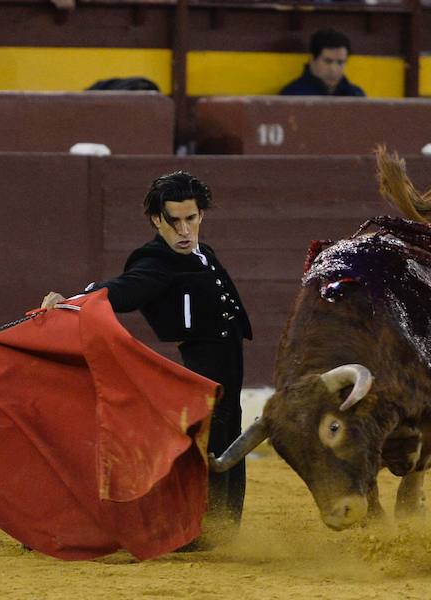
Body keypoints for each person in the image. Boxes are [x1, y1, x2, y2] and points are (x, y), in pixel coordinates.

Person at [40, 171, 252, 546]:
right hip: (200, 374)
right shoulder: (157, 261)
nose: (185, 230)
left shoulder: (203, 253)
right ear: (157, 220)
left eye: (192, 218)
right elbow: (118, 291)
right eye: (175, 221)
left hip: (226, 374)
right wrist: (71, 301)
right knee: (204, 447)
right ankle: (193, 533)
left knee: (226, 442)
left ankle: (222, 532)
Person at [279, 27, 365, 97]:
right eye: (328, 61)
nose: (333, 69)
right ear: (312, 59)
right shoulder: (292, 95)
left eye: (340, 62)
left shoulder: (355, 95)